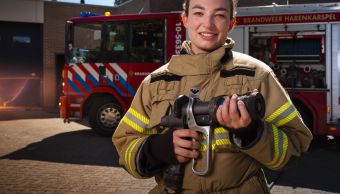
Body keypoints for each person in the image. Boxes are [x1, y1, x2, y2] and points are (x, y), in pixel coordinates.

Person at [112, 0, 313, 193]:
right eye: (199, 13)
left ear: (231, 23)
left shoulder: (258, 76)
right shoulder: (155, 83)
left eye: (219, 15)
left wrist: (252, 133)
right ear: (185, 20)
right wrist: (157, 149)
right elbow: (125, 146)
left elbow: (294, 149)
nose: (207, 24)